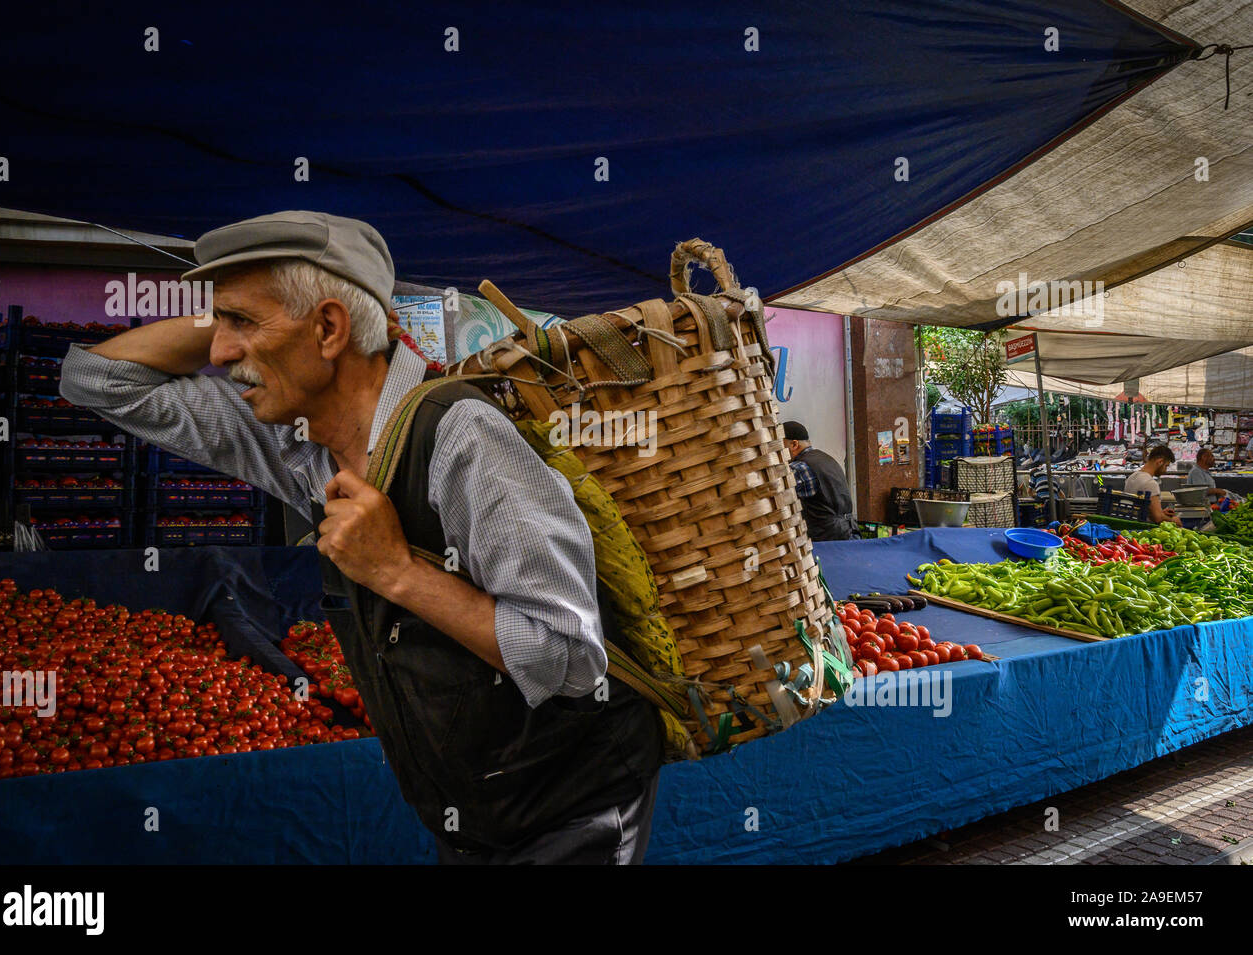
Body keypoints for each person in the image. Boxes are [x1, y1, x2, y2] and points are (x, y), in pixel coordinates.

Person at [59, 211, 664, 864]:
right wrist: (228, 311)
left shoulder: (461, 436)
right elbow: (97, 381)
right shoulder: (301, 447)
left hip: (573, 812)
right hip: (471, 816)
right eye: (220, 325)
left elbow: (571, 657)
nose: (220, 353)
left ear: (326, 329)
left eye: (243, 324)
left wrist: (398, 572)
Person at [782, 421, 857, 541]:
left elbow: (778, 498)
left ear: (794, 444)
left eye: (780, 446)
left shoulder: (800, 468)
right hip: (848, 532)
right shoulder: (827, 459)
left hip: (826, 539)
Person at [1124, 444, 1181, 525]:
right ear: (1160, 462)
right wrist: (1175, 520)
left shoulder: (1132, 477)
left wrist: (1161, 512)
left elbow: (1141, 509)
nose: (1165, 471)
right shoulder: (1150, 483)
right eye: (1166, 466)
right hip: (1143, 528)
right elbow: (1157, 518)